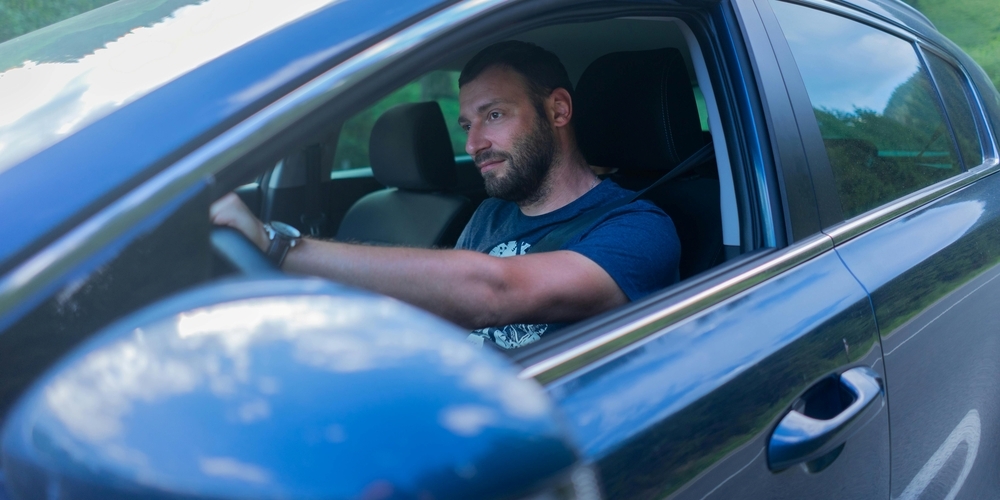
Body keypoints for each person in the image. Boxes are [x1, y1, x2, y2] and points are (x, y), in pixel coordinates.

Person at [211, 41, 681, 349]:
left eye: (493, 115)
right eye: (466, 125)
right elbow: (444, 314)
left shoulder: (639, 228)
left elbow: (493, 292)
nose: (473, 144)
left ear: (557, 110)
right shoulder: (490, 214)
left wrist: (278, 247)